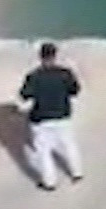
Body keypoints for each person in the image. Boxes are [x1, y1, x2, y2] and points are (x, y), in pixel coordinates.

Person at [19, 42, 83, 191]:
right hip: (63, 115)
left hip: (41, 119)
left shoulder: (34, 76)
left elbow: (24, 95)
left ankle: (50, 183)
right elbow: (75, 90)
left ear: (40, 57)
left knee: (43, 152)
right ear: (55, 55)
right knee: (69, 145)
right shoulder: (66, 73)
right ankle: (77, 173)